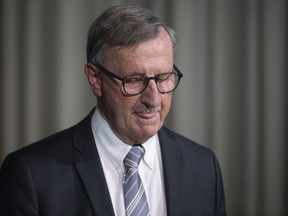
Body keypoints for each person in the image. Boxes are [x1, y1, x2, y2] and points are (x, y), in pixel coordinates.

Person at [0, 5, 226, 216]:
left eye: (163, 77)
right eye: (135, 80)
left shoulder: (204, 167)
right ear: (95, 79)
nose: (153, 98)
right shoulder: (31, 174)